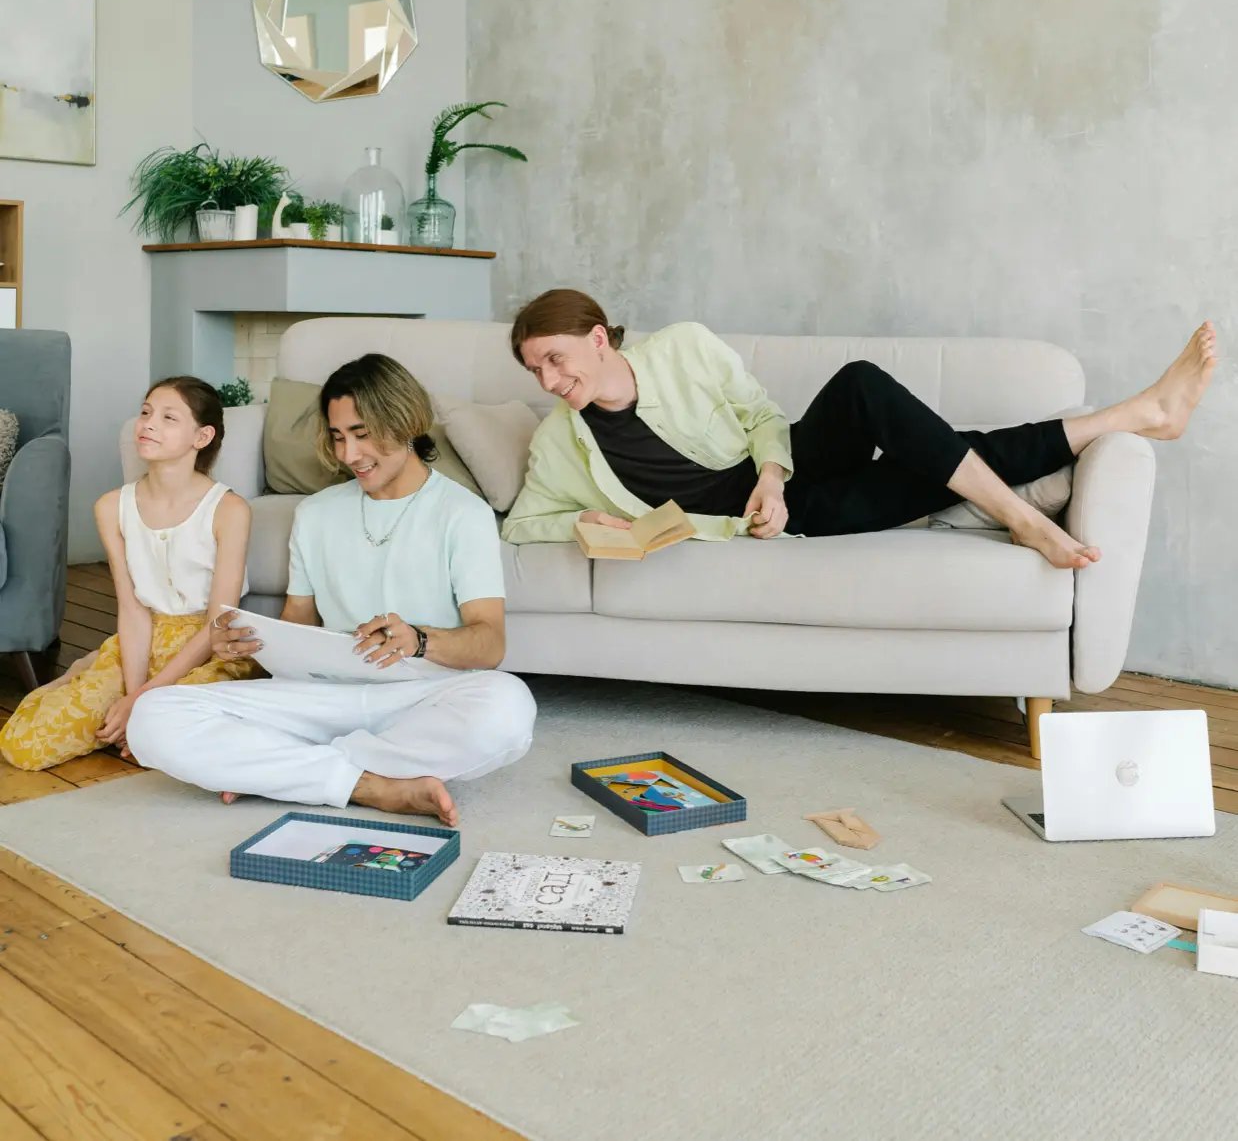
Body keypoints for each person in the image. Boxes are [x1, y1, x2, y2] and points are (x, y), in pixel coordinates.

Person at [502, 288, 1218, 569]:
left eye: (555, 360)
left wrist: (773, 477)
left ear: (599, 338)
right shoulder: (559, 440)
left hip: (789, 470)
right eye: (535, 371)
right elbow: (520, 523)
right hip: (784, 522)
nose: (549, 382)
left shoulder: (682, 346)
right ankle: (1138, 415)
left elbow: (760, 415)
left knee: (861, 384)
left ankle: (1027, 519)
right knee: (943, 463)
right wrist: (581, 522)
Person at [125, 354, 537, 826]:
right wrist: (249, 644)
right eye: (339, 436)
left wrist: (421, 640)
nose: (348, 454)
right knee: (153, 716)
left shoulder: (463, 514)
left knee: (508, 708)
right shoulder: (316, 514)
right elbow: (298, 622)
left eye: (362, 434)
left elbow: (490, 643)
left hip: (418, 694)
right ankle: (371, 785)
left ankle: (286, 769)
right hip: (320, 695)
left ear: (405, 422)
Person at [0, 377, 259, 772]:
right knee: (23, 746)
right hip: (140, 644)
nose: (148, 424)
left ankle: (135, 720)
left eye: (168, 417)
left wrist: (141, 702)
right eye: (146, 412)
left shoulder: (229, 510)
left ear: (202, 436)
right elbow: (133, 609)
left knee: (167, 730)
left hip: (210, 651)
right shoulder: (111, 507)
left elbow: (217, 624)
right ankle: (99, 681)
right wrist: (135, 692)